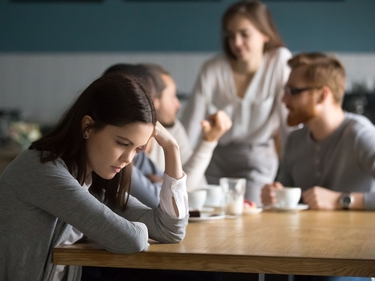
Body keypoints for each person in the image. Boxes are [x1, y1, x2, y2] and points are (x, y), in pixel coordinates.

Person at [0, 73, 189, 281]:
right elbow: (130, 239)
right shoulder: (42, 171)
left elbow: (170, 231)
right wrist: (134, 229)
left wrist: (172, 148)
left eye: (137, 149)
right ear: (87, 127)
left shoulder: (92, 180)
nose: (128, 158)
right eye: (122, 143)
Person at [261, 52, 375, 281]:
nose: (283, 100)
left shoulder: (360, 135)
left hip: (349, 264)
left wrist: (341, 200)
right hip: (301, 257)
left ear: (323, 95)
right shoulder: (294, 140)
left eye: (292, 91)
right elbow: (286, 187)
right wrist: (274, 194)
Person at [181, 0, 292, 206]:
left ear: (265, 34)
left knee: (249, 216)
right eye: (231, 35)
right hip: (215, 159)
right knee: (209, 213)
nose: (236, 42)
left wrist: (290, 178)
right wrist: (174, 172)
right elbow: (188, 129)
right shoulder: (212, 68)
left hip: (257, 159)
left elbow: (288, 128)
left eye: (244, 34)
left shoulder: (280, 62)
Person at [103, 63, 232, 208]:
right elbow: (169, 200)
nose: (178, 104)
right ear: (152, 100)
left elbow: (189, 189)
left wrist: (163, 185)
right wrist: (164, 185)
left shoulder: (172, 129)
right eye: (172, 96)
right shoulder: (120, 155)